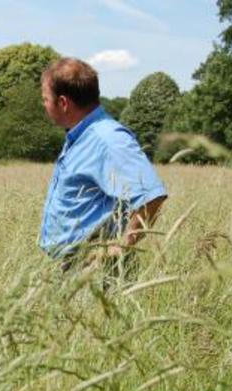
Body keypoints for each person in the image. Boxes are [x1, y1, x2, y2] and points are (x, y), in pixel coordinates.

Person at [39, 57, 167, 273]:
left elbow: (151, 195)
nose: (44, 105)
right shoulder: (81, 135)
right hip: (71, 267)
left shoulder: (108, 139)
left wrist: (120, 247)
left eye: (45, 99)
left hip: (93, 272)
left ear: (63, 103)